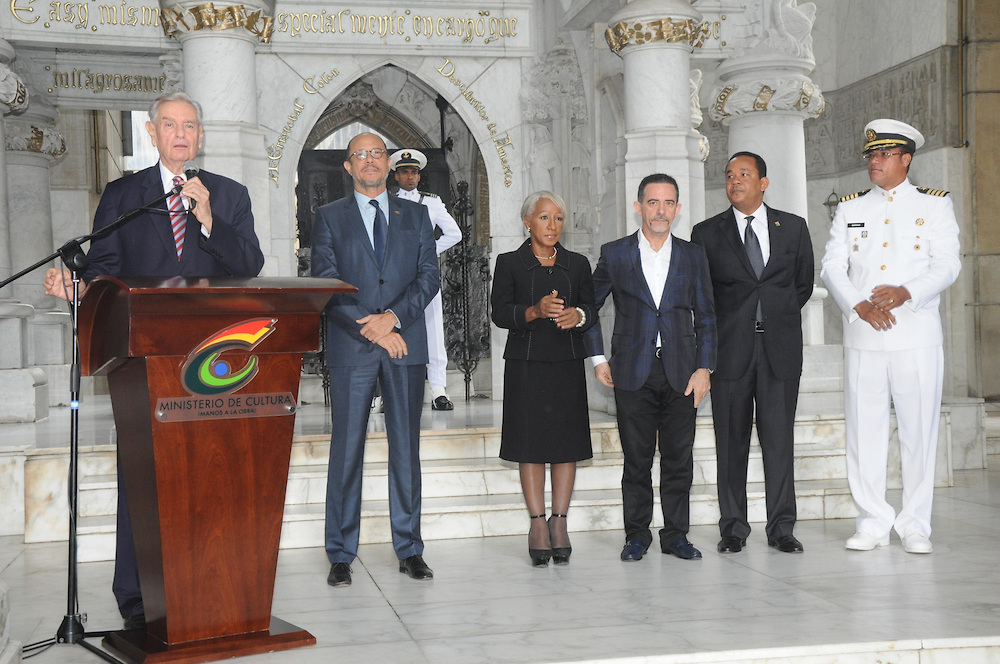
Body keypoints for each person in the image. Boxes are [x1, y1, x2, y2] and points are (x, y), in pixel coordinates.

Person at [42, 91, 265, 629]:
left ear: (201, 135)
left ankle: (209, 582)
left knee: (207, 473)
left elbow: (250, 265)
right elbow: (105, 270)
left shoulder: (229, 195)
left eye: (190, 125)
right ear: (152, 133)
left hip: (213, 361)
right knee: (140, 474)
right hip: (144, 361)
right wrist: (79, 288)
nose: (181, 134)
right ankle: (137, 597)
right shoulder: (125, 195)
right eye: (171, 125)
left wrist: (209, 219)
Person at [820, 119, 961, 554]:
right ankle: (872, 520)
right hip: (864, 336)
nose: (874, 162)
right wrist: (857, 305)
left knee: (919, 432)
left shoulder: (934, 205)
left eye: (883, 155)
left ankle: (916, 524)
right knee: (865, 431)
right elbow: (831, 266)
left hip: (915, 335)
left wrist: (907, 292)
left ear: (906, 159)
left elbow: (948, 265)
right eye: (871, 156)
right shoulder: (851, 208)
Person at [310, 132, 439, 586]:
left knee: (406, 449)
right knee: (346, 449)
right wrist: (371, 328)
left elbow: (429, 276)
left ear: (388, 164)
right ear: (348, 166)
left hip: (404, 344)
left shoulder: (418, 215)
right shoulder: (328, 217)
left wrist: (393, 319)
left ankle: (409, 549)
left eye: (376, 153)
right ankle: (341, 553)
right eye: (360, 154)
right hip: (355, 346)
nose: (369, 161)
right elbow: (325, 281)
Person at [584, 173, 716, 562]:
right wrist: (597, 358)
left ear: (677, 208)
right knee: (637, 460)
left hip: (683, 372)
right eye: (653, 202)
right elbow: (587, 309)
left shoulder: (694, 255)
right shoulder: (616, 253)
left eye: (669, 203)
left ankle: (676, 535)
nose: (661, 211)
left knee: (679, 459)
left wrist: (704, 367)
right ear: (638, 206)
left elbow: (707, 317)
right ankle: (636, 536)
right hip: (631, 371)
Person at [691, 152, 814, 555]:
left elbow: (802, 286)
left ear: (764, 182)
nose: (735, 181)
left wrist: (773, 318)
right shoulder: (707, 233)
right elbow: (702, 297)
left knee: (779, 442)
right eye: (729, 176)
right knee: (731, 443)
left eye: (744, 174)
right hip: (730, 352)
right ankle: (733, 528)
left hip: (778, 350)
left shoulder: (793, 228)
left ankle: (782, 528)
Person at [490, 191, 598, 566]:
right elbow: (500, 312)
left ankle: (560, 522)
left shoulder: (578, 264)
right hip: (527, 365)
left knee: (565, 444)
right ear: (527, 221)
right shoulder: (509, 263)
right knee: (530, 444)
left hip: (567, 363)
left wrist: (578, 317)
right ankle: (537, 523)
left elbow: (592, 310)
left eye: (558, 219)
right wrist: (534, 311)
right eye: (544, 218)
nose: (552, 226)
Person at [390, 148, 462, 411]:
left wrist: (427, 254)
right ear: (396, 176)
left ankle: (438, 389)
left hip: (424, 275)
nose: (410, 177)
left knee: (433, 329)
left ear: (419, 177)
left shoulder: (431, 202)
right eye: (404, 172)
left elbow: (454, 234)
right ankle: (390, 391)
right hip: (395, 277)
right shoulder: (387, 201)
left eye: (414, 172)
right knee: (393, 326)